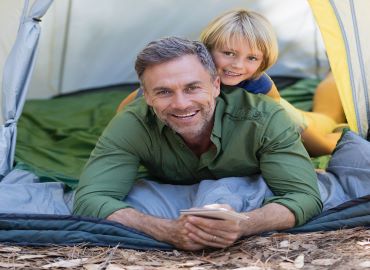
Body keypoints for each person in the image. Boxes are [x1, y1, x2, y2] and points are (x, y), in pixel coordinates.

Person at [74, 36, 323, 251]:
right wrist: (166, 230)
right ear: (147, 96)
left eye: (192, 88)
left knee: (325, 129)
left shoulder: (265, 118)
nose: (181, 104)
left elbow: (303, 196)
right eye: (163, 92)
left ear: (216, 85)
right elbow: (90, 198)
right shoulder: (131, 123)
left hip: (307, 125)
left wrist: (245, 223)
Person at [117, 9, 345, 157]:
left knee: (324, 135)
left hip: (289, 116)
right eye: (228, 53)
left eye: (251, 58)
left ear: (262, 62)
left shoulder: (258, 83)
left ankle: (338, 73)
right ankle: (334, 75)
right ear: (208, 48)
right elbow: (131, 105)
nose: (237, 65)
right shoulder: (185, 72)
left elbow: (277, 112)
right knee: (325, 114)